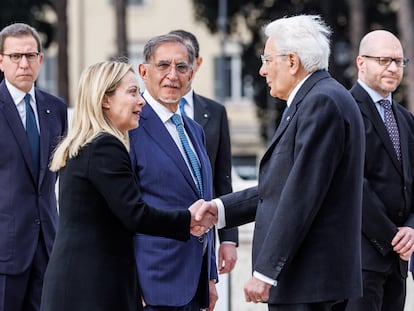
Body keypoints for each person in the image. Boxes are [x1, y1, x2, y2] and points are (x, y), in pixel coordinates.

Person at [197, 15, 366, 311]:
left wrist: (265, 272)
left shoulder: (320, 102)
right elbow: (280, 186)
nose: (262, 70)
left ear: (292, 61)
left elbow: (301, 193)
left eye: (268, 59)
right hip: (310, 282)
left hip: (308, 282)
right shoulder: (317, 98)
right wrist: (221, 209)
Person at [40, 60, 216, 311]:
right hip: (92, 289)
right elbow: (135, 214)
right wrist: (187, 220)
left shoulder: (87, 145)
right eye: (132, 92)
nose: (141, 100)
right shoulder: (105, 147)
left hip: (81, 283)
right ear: (105, 99)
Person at [129, 33, 218, 311]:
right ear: (144, 71)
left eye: (181, 67)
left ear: (191, 74)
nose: (172, 75)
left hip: (194, 283)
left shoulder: (194, 131)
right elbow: (123, 212)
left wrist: (210, 275)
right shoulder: (129, 128)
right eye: (163, 65)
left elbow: (205, 201)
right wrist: (129, 283)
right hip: (151, 285)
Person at [345, 30, 414, 311]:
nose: (393, 68)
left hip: (398, 262)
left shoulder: (406, 119)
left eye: (399, 61)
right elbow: (352, 183)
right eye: (384, 60)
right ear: (361, 63)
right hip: (361, 260)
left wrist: (411, 227)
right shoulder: (345, 109)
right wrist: (392, 237)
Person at [0, 23, 67, 310]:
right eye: (15, 57)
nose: (24, 63)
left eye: (30, 55)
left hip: (48, 247)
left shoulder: (56, 108)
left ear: (41, 59)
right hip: (5, 248)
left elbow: (56, 176)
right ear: (1, 61)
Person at [169, 29, 238, 274]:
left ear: (196, 64)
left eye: (183, 62)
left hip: (204, 235)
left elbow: (223, 178)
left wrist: (228, 238)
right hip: (163, 230)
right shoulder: (142, 113)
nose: (174, 72)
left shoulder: (215, 112)